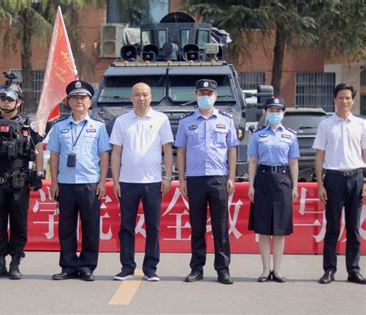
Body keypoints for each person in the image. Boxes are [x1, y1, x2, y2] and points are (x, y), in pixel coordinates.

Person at [0, 73, 44, 280]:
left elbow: (39, 149)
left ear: (18, 102)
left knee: (19, 223)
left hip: (19, 183)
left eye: (10, 98)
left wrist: (38, 174)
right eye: (2, 98)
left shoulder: (27, 125)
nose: (5, 102)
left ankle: (15, 262)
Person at [175, 79, 238, 284]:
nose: (205, 97)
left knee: (220, 226)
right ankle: (196, 268)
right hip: (194, 179)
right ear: (196, 96)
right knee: (197, 226)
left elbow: (232, 150)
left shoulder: (226, 121)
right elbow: (181, 151)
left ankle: (222, 269)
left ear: (215, 96)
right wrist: (181, 178)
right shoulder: (186, 122)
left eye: (209, 93)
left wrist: (231, 177)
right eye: (201, 93)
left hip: (218, 177)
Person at [48, 80, 111, 281]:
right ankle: (68, 265)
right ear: (68, 102)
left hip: (89, 182)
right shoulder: (59, 127)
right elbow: (55, 155)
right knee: (66, 226)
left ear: (90, 102)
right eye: (74, 97)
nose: (79, 101)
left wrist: (102, 182)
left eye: (83, 97)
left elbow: (104, 156)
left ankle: (87, 266)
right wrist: (54, 182)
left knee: (90, 225)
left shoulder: (98, 127)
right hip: (65, 183)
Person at [110, 82, 173, 282]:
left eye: (145, 94)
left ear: (151, 97)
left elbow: (168, 150)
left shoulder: (161, 119)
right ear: (131, 98)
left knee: (153, 226)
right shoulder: (121, 121)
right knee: (126, 226)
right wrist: (116, 179)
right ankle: (127, 267)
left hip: (153, 182)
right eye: (137, 94)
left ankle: (151, 268)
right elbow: (116, 152)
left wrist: (168, 176)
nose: (141, 98)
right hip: (127, 182)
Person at [313, 83, 366, 285]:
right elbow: (319, 156)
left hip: (356, 177)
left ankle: (353, 270)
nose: (344, 101)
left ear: (353, 100)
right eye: (340, 98)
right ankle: (329, 270)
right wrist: (320, 184)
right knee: (333, 226)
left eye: (347, 98)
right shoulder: (326, 125)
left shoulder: (361, 124)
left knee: (353, 228)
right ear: (334, 100)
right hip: (333, 179)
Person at [247, 97, 299, 283]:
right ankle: (264, 269)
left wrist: (295, 186)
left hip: (283, 181)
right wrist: (251, 185)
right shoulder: (257, 135)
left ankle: (277, 270)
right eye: (271, 110)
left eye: (278, 111)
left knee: (279, 229)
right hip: (262, 180)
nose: (275, 114)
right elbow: (253, 161)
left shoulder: (290, 135)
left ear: (283, 113)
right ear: (265, 113)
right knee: (263, 228)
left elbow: (293, 162)